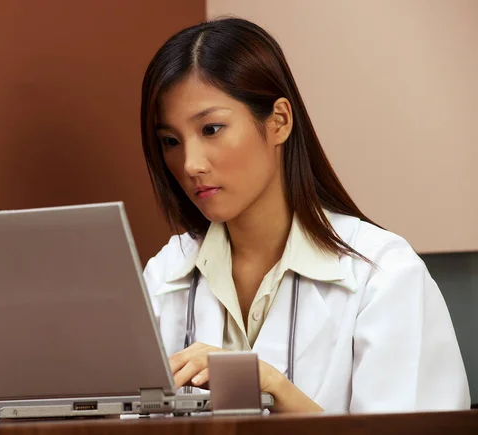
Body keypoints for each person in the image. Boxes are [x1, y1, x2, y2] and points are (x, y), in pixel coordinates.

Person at [139, 17, 470, 413]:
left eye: (211, 129)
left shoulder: (383, 275)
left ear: (279, 121)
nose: (190, 164)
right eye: (171, 141)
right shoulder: (164, 275)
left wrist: (274, 387)